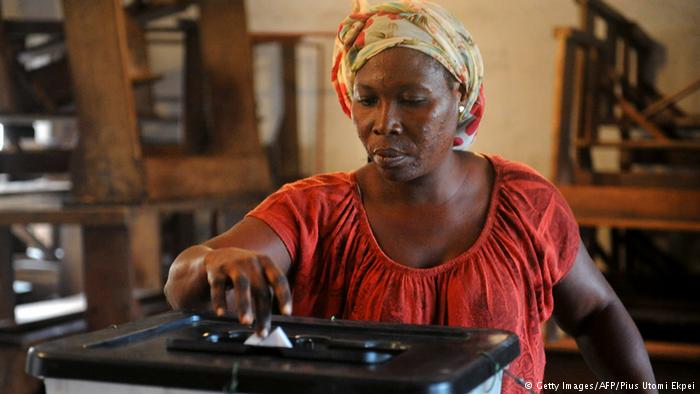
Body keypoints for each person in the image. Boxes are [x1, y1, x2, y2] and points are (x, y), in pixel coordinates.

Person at [165, 0, 657, 391]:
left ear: (461, 100)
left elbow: (596, 313)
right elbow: (184, 277)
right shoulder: (313, 211)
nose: (385, 123)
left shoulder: (525, 205)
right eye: (367, 99)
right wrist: (212, 265)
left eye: (414, 100)